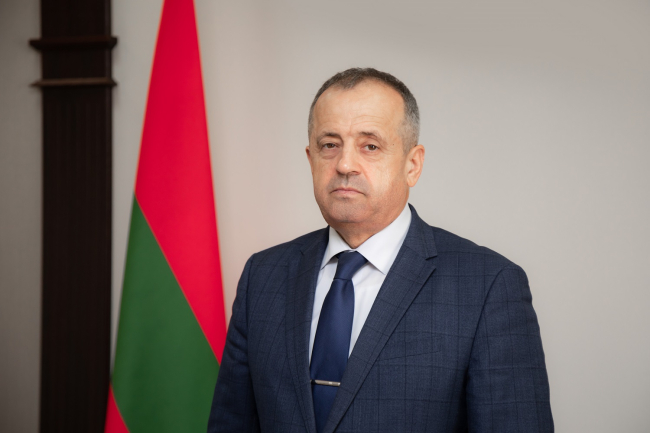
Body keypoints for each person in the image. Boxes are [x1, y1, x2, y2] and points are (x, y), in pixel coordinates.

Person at [208, 68, 553, 433]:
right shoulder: (263, 276)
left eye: (370, 146)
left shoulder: (488, 286)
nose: (344, 164)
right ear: (311, 159)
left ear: (412, 165)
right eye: (330, 145)